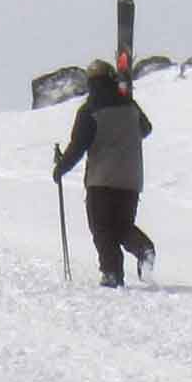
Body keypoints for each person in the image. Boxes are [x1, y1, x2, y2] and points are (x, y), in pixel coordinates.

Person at [53, 63, 155, 286]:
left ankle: (112, 273)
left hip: (101, 180)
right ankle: (143, 248)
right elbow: (146, 129)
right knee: (121, 226)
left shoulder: (90, 110)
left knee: (102, 228)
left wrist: (61, 167)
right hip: (131, 180)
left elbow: (79, 146)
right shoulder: (130, 105)